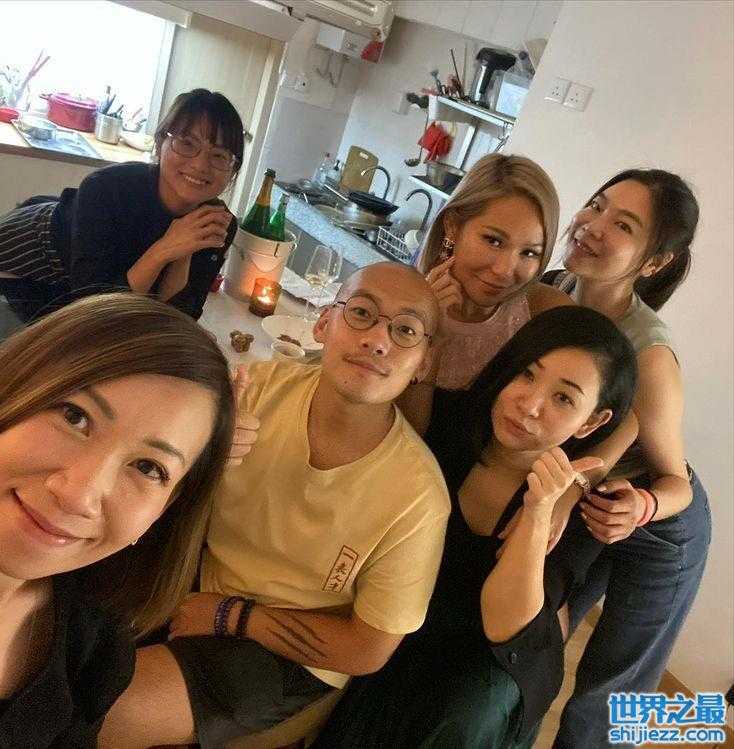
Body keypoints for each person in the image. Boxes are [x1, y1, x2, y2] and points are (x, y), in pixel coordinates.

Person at [99, 262, 451, 748]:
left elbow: (368, 648)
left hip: (287, 653)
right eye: (362, 313)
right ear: (324, 323)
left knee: (112, 710)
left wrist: (231, 615)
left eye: (405, 330)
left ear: (425, 364)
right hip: (191, 575)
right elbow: (146, 486)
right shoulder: (258, 389)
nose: (377, 340)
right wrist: (202, 461)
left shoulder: (417, 498)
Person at [314, 305, 638, 748]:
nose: (530, 404)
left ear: (593, 422)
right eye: (526, 374)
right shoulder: (447, 424)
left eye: (563, 399)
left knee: (467, 707)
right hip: (409, 625)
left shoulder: (583, 510)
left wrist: (539, 509)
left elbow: (504, 627)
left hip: (494, 664)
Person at [0, 292, 235, 747]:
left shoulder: (97, 644)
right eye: (74, 417)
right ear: (10, 387)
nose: (79, 495)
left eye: (148, 468)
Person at [542, 169, 712, 748]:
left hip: (660, 525)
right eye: (596, 205)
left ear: (654, 261)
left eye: (623, 225)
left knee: (608, 696)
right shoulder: (553, 290)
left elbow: (676, 482)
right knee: (541, 637)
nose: (592, 225)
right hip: (590, 498)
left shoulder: (650, 354)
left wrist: (640, 507)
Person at [0, 88, 244, 319]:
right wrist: (164, 249)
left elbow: (175, 316)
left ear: (232, 170)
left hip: (81, 293)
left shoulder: (217, 223)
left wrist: (185, 251)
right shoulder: (107, 188)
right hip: (27, 249)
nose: (200, 165)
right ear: (159, 144)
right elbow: (94, 309)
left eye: (219, 155)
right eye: (187, 143)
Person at [398, 152, 572, 436]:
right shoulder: (400, 302)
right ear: (453, 226)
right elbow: (404, 436)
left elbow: (617, 404)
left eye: (529, 253)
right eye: (494, 241)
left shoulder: (543, 311)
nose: (505, 270)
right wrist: (430, 337)